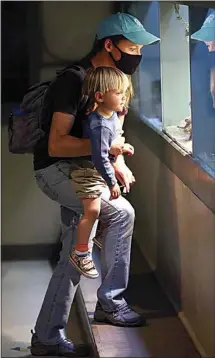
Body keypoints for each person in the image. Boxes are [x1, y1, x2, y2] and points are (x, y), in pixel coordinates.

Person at [30, 12, 160, 357]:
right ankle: (110, 302)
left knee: (77, 247)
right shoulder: (74, 81)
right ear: (109, 45)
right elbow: (57, 145)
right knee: (119, 214)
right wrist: (109, 151)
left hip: (87, 171)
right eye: (131, 46)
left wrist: (116, 162)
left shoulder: (116, 81)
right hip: (56, 171)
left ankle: (48, 336)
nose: (137, 54)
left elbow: (113, 133)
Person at [70, 66, 134, 279]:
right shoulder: (100, 125)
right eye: (118, 93)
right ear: (100, 96)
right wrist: (110, 182)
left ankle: (99, 235)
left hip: (97, 168)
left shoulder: (112, 116)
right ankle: (80, 253)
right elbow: (99, 157)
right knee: (93, 210)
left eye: (124, 92)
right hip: (88, 172)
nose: (124, 97)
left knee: (113, 204)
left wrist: (121, 149)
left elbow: (111, 145)